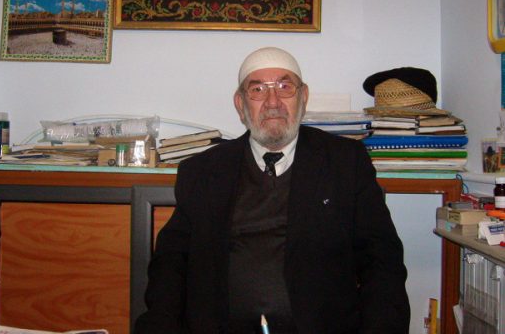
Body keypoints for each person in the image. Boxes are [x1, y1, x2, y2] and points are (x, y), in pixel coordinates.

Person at [137, 47, 410, 334]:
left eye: (284, 87)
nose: (272, 102)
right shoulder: (203, 171)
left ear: (303, 97)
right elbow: (170, 265)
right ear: (240, 104)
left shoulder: (345, 162)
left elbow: (382, 260)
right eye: (257, 90)